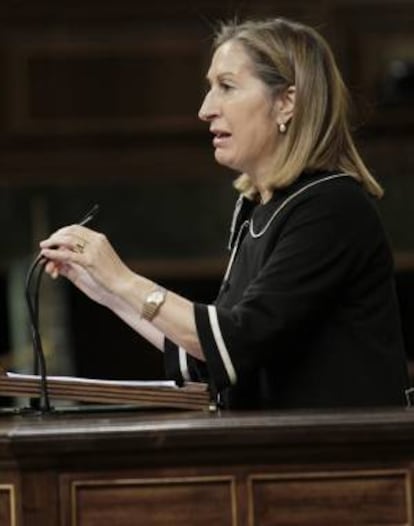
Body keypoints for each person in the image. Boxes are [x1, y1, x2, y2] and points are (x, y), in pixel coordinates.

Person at [40, 17, 409, 410]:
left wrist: (123, 278)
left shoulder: (330, 207)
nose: (205, 110)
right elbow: (209, 357)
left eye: (227, 87)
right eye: (210, 88)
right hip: (284, 458)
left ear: (286, 102)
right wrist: (106, 289)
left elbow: (232, 342)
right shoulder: (259, 207)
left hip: (341, 463)